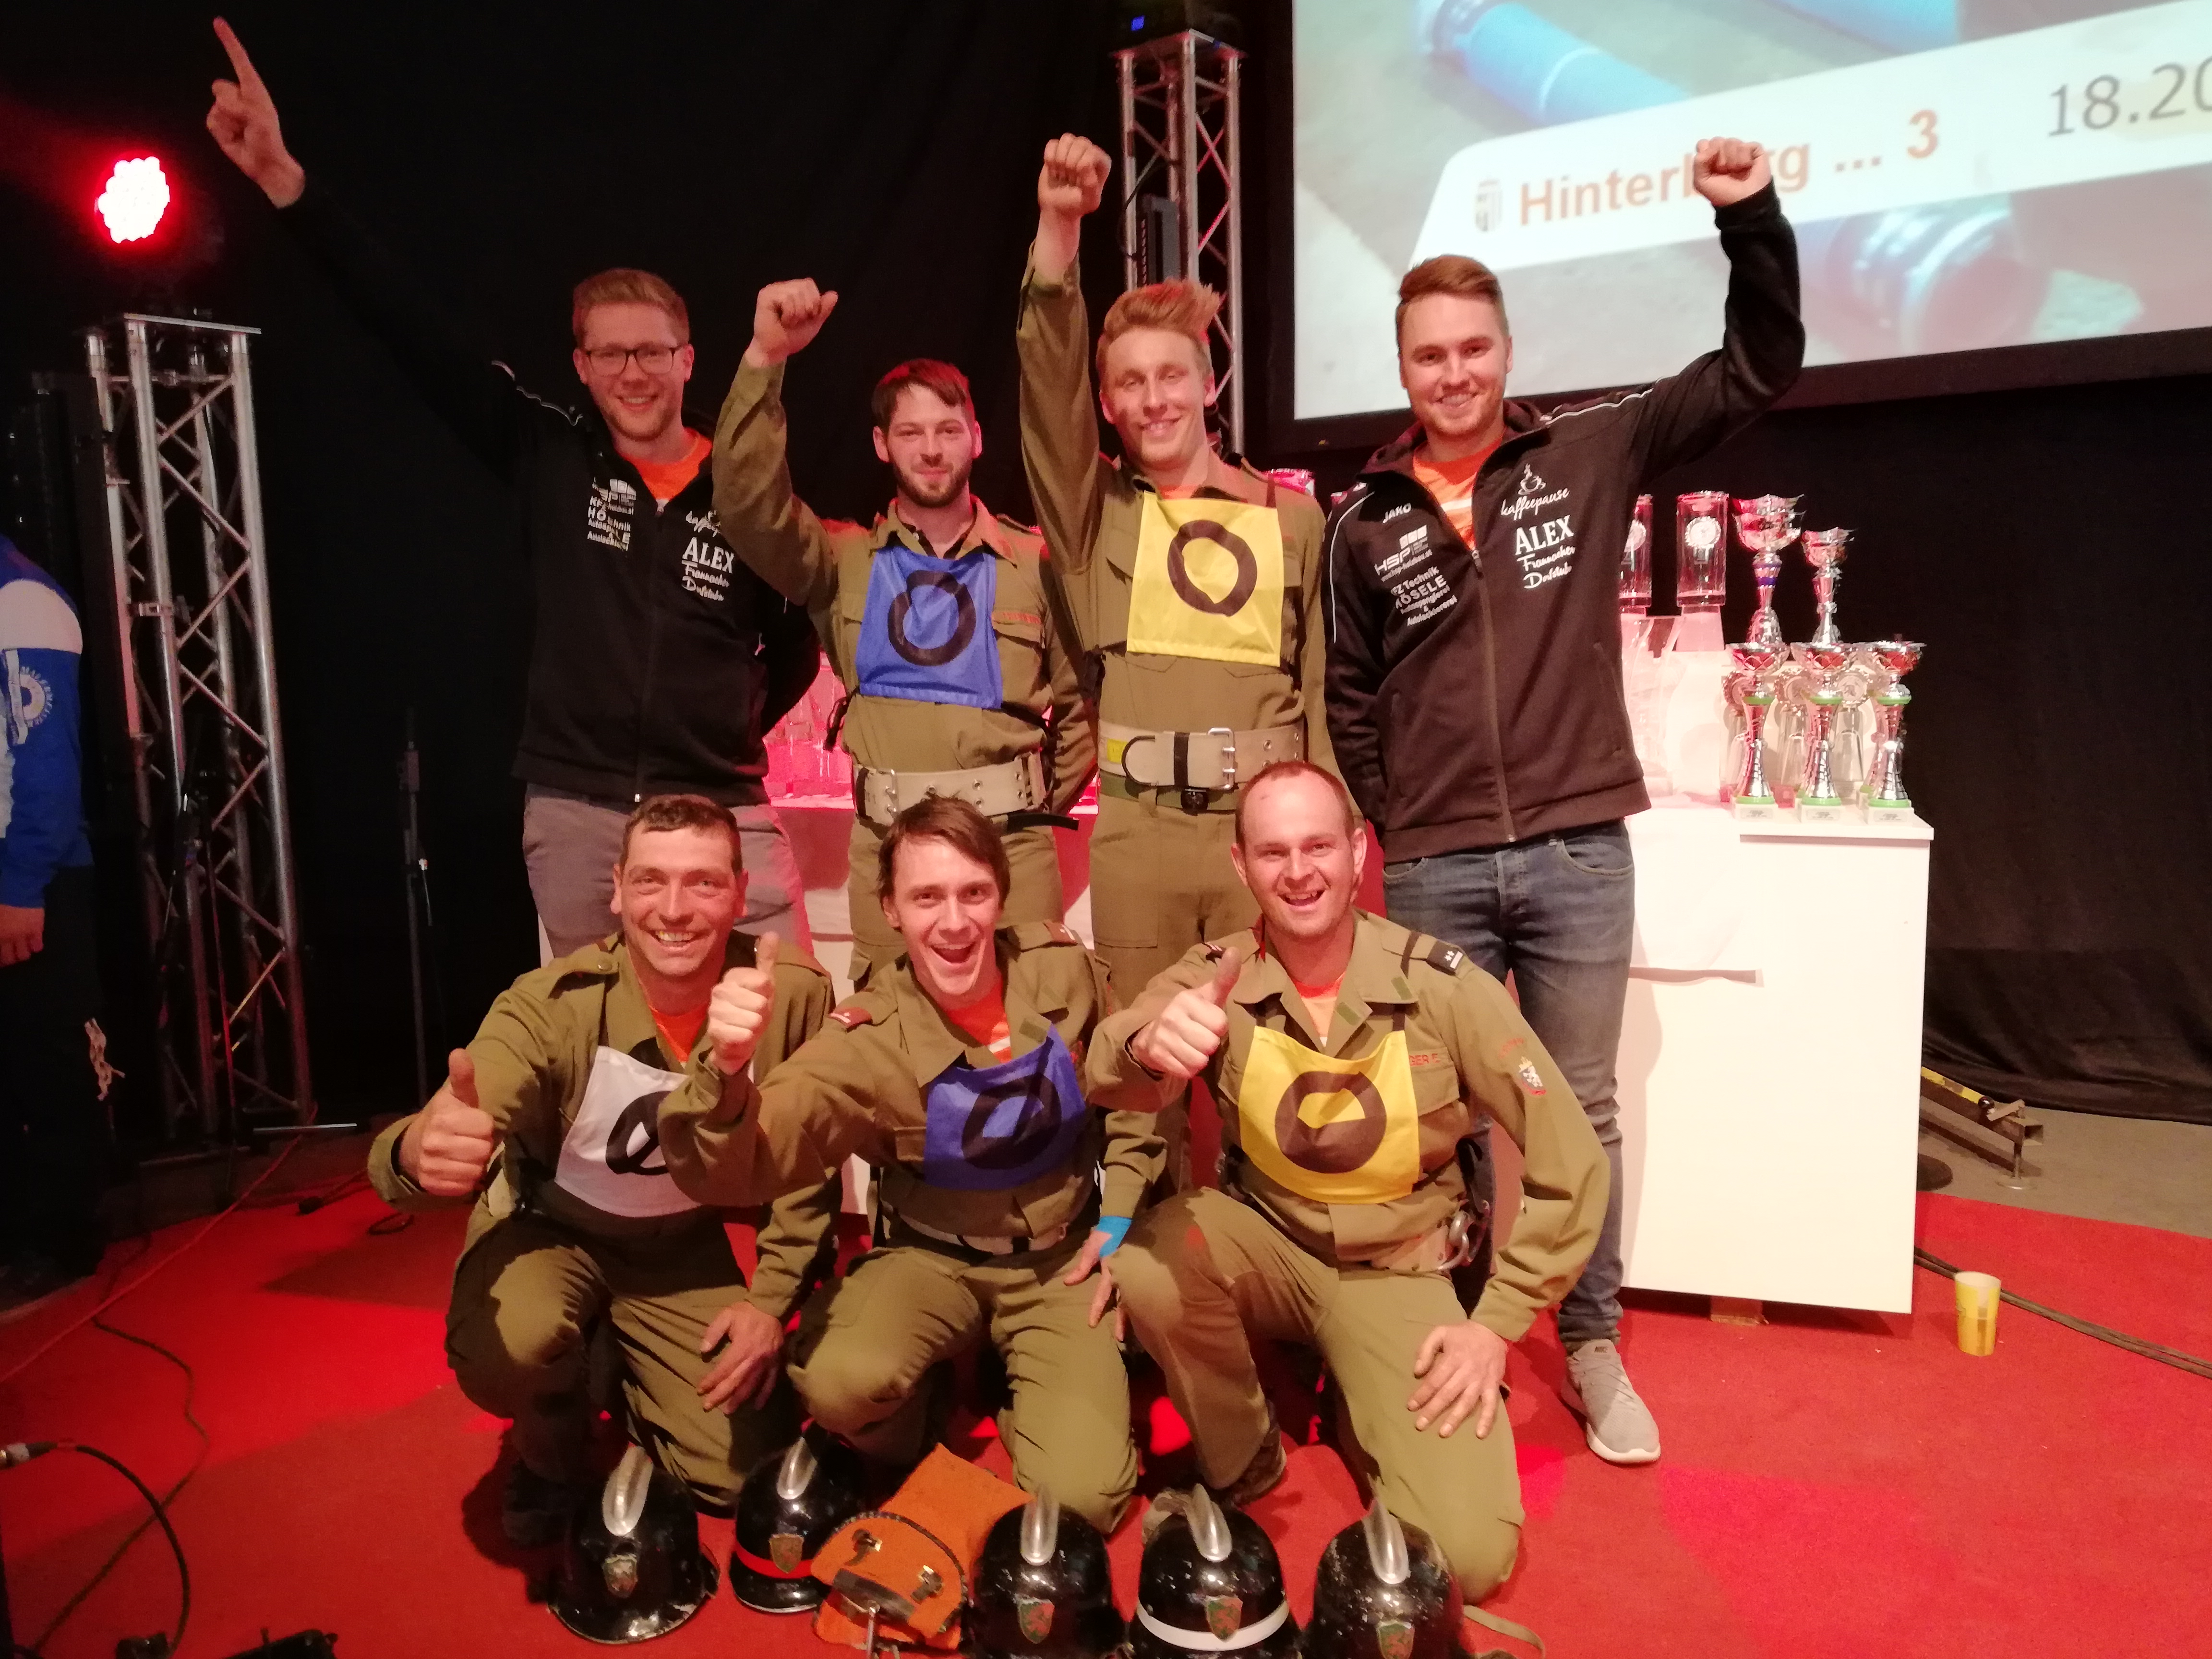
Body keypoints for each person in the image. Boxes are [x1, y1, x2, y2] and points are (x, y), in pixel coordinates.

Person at [1323, 137, 1803, 1467]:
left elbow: (1758, 367)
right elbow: (1348, 697)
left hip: (1581, 850)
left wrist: (1751, 220)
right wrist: (1405, 822)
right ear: (1403, 367)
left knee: (1575, 1112)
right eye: (1430, 355)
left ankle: (1590, 1344)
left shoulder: (1590, 449)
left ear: (1507, 350)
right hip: (1437, 867)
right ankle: (1463, 1332)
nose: (1455, 373)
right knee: (1446, 1114)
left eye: (1474, 348)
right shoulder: (1364, 522)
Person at [204, 20, 820, 957]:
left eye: (651, 352)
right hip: (580, 815)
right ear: (581, 365)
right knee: (601, 1037)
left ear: (689, 359)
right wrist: (288, 183)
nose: (633, 373)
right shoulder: (547, 453)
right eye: (610, 354)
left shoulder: (743, 486)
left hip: (721, 805)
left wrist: (721, 733)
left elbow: (797, 641)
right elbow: (410, 328)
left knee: (785, 1012)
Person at [1087, 760, 1607, 1614]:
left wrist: (1496, 1325)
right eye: (1274, 852)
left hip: (1399, 1272)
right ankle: (1245, 1458)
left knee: (1465, 1560)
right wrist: (1149, 1044)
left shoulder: (1443, 986)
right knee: (1150, 1260)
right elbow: (1110, 1063)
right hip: (1267, 1246)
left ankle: (1359, 1400)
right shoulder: (1217, 974)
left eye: (1319, 846)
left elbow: (1573, 1162)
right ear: (1241, 865)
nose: (1299, 872)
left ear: (1359, 852)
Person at [655, 797, 1167, 1532]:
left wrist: (1119, 1220)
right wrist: (726, 1071)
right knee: (838, 1384)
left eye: (973, 893)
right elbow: (749, 1158)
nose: (954, 922)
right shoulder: (869, 1032)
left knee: (1086, 1502)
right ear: (891, 909)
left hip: (1060, 1264)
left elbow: (1135, 1096)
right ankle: (926, 1410)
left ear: (1000, 894)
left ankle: (1023, 1387)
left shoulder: (1064, 972)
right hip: (930, 1260)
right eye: (927, 897)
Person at [364, 794, 839, 1544]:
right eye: (650, 881)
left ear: (741, 895)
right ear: (617, 889)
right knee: (514, 1346)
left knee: (739, 1475)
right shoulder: (553, 1005)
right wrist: (418, 1150)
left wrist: (769, 1302)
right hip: (553, 1231)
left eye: (704, 883)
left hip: (678, 1248)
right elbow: (473, 1097)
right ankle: (550, 1445)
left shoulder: (792, 995)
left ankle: (617, 1361)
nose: (674, 910)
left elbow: (806, 1166)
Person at [1018, 132, 1335, 1183]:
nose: (1152, 399)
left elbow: (1321, 688)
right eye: (1128, 384)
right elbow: (1045, 395)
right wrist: (1060, 231)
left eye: (1170, 376)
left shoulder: (1293, 520)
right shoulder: (1095, 516)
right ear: (1107, 404)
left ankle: (1272, 1256)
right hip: (1141, 838)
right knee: (1138, 1079)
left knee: (1272, 1067)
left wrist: (1335, 830)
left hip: (1261, 840)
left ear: (1207, 382)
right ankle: (1139, 1257)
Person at [712, 281, 1092, 978]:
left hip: (1011, 846)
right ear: (882, 445)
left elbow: (1082, 709)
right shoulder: (842, 562)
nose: (932, 450)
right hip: (888, 847)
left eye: (948, 430)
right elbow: (747, 508)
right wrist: (766, 359)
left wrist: (1025, 802)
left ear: (976, 438)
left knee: (1036, 1014)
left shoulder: (1035, 564)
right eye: (911, 434)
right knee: (889, 1027)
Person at [0, 534, 109, 1320]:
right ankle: (18, 1229)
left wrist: (19, 885)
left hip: (27, 876)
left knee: (45, 1057)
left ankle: (65, 1240)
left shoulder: (24, 602)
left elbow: (43, 767)